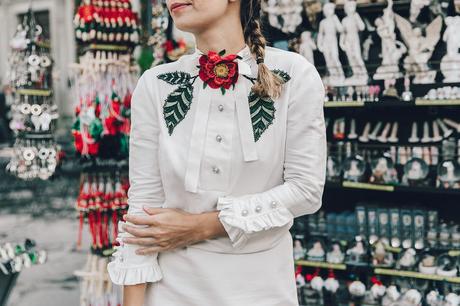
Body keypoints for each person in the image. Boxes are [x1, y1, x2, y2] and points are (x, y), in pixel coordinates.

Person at [107, 0, 326, 305]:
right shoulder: (155, 85)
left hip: (262, 291)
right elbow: (142, 211)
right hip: (172, 292)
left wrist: (201, 227)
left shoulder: (293, 75)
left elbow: (306, 191)